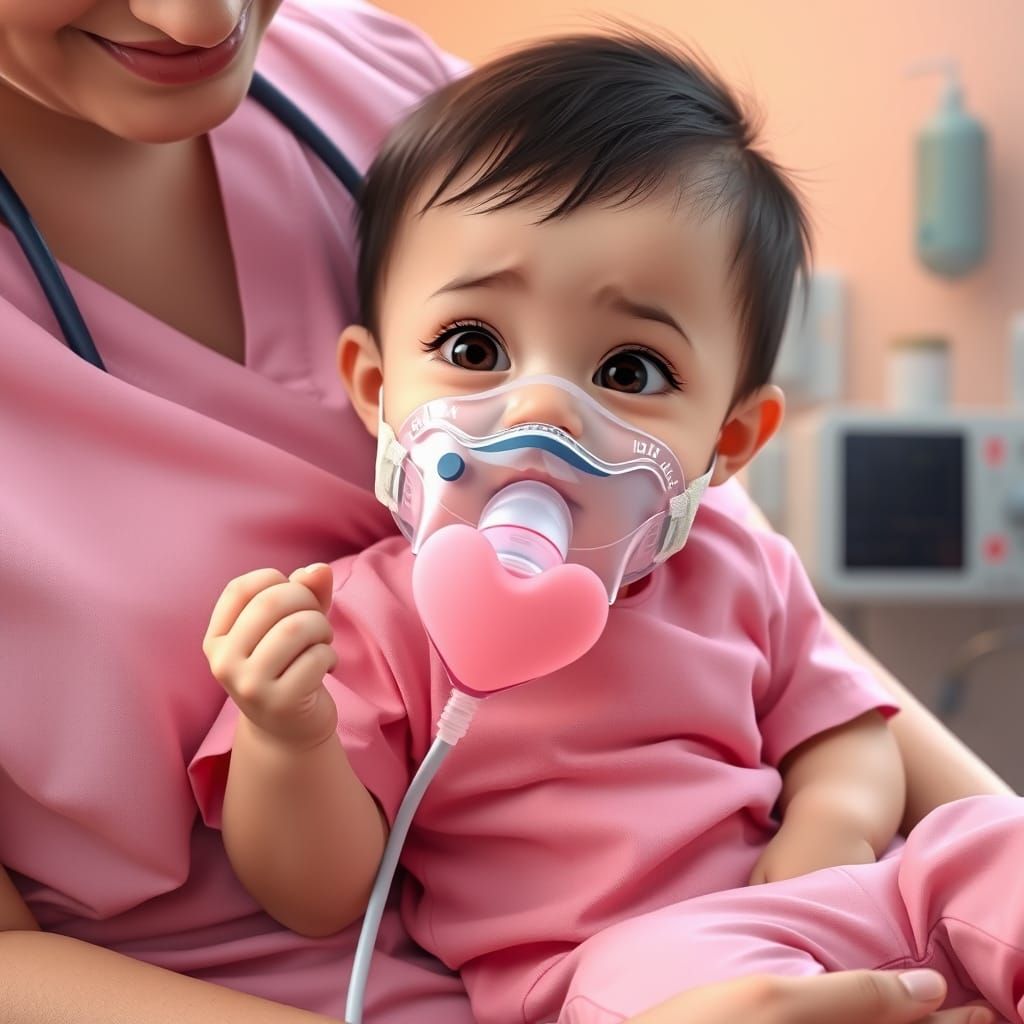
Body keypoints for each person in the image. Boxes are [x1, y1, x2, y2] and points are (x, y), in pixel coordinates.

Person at [0, 1, 1008, 1022]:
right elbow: (313, 891)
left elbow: (842, 719)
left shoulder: (724, 563)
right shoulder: (376, 617)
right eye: (476, 350)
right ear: (369, 380)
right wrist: (287, 729)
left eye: (627, 369)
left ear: (732, 438)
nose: (543, 411)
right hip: (620, 973)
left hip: (831, 894)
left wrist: (826, 850)